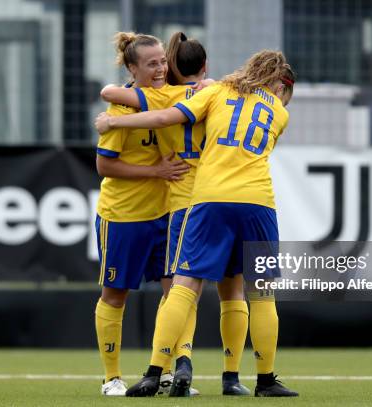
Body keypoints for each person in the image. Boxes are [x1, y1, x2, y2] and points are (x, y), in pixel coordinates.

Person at [95, 49, 299, 398]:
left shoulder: (217, 92)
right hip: (257, 202)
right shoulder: (279, 112)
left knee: (183, 285)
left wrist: (113, 122)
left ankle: (154, 371)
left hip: (206, 199)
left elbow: (159, 117)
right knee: (260, 293)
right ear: (280, 86)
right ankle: (260, 379)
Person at [94, 31, 190, 397]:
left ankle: (162, 372)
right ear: (132, 68)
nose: (161, 68)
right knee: (115, 295)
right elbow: (104, 166)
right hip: (123, 217)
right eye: (152, 64)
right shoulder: (120, 111)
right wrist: (157, 172)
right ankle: (111, 377)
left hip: (165, 215)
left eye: (163, 61)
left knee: (174, 294)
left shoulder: (170, 99)